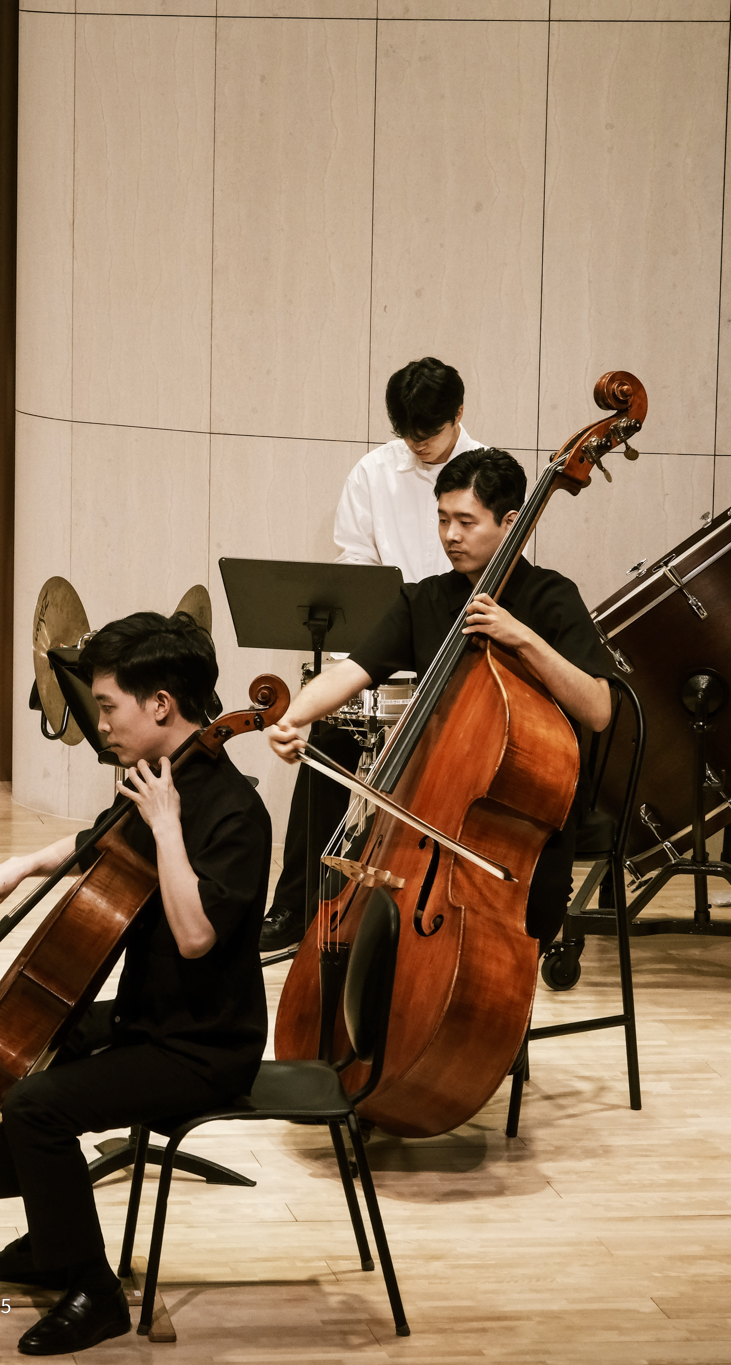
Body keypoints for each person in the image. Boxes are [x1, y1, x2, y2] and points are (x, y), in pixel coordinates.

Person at [0, 611, 271, 1356]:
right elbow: (96, 840)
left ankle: (93, 1292)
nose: (99, 724)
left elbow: (195, 936)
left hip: (202, 1046)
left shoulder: (234, 811)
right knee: (14, 1043)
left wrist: (167, 827)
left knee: (35, 1106)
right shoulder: (159, 778)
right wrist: (18, 867)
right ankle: (53, 1237)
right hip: (147, 1016)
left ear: (160, 704)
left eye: (107, 706)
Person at [265, 446, 614, 945]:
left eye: (466, 522)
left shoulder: (552, 598)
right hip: (432, 809)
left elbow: (598, 710)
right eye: (443, 519)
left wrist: (523, 638)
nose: (450, 535)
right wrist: (294, 718)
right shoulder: (423, 599)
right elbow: (353, 670)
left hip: (524, 822)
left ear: (511, 523)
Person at [265, 356, 491, 951]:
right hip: (390, 640)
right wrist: (352, 669)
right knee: (329, 741)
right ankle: (295, 905)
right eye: (406, 433)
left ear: (459, 414)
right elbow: (357, 569)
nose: (417, 443)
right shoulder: (373, 472)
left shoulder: (488, 473)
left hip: (461, 646)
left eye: (429, 432)